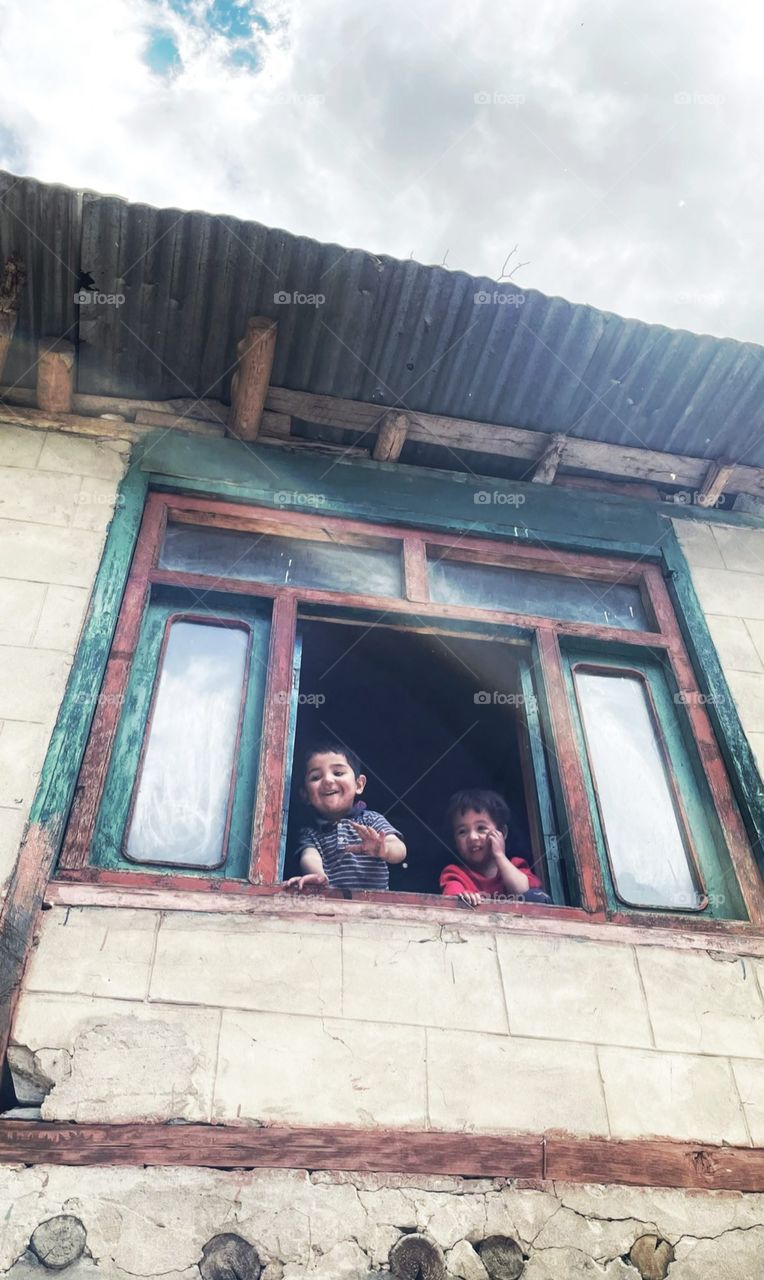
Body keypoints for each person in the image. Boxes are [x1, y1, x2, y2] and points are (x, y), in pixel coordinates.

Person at [285, 741, 406, 892]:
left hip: (376, 905)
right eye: (316, 777)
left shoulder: (371, 820)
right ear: (305, 796)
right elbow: (310, 857)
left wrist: (384, 849)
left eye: (338, 773)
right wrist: (319, 877)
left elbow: (400, 849)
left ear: (359, 784)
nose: (328, 780)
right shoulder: (311, 833)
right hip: (335, 907)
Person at [440, 788, 549, 907]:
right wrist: (464, 897)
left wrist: (500, 855)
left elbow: (525, 892)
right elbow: (451, 902)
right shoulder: (455, 874)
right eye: (462, 832)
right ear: (455, 841)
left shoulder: (516, 866)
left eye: (481, 828)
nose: (472, 837)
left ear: (502, 833)